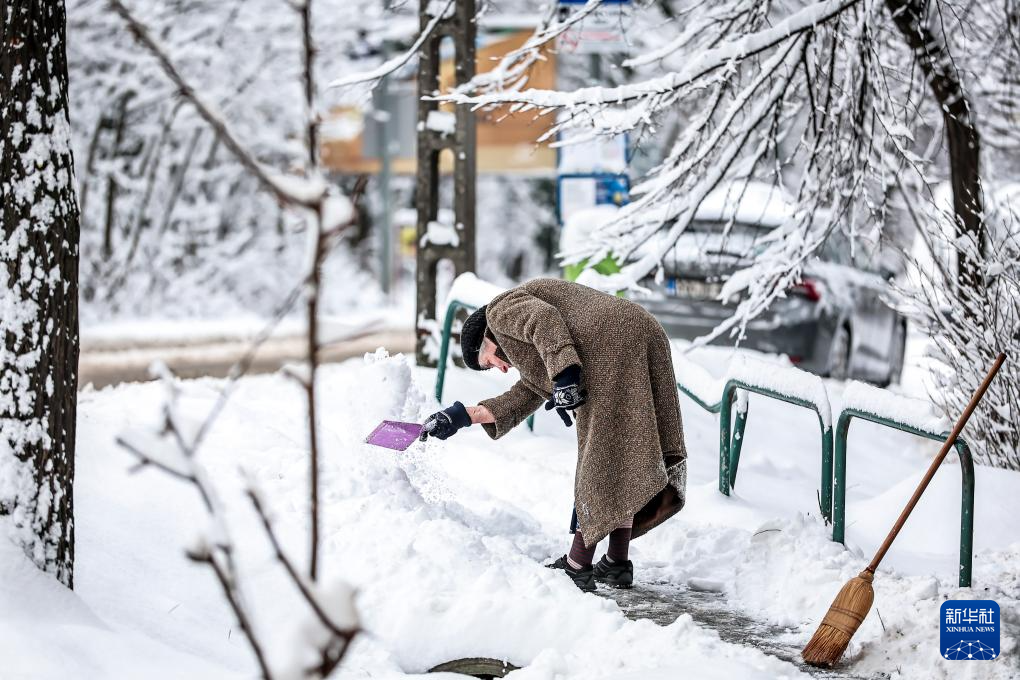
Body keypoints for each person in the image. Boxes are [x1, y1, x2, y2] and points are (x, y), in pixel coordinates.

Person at [420, 278, 688, 591]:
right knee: (622, 451)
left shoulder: (500, 310)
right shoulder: (534, 352)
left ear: (485, 340)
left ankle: (577, 566)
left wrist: (566, 377)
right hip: (639, 333)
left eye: (489, 362)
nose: (500, 368)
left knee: (599, 454)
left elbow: (543, 320)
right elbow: (525, 394)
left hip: (612, 343)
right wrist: (461, 417)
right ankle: (616, 562)